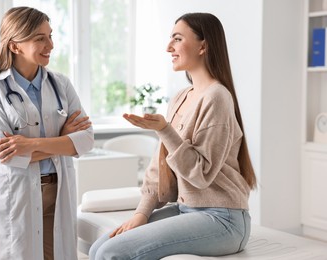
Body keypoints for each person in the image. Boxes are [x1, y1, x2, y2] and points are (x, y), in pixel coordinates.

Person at [89, 12, 257, 259]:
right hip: (186, 209)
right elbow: (159, 170)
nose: (169, 47)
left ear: (203, 46)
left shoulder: (217, 97)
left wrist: (164, 130)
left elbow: (201, 175)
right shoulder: (180, 98)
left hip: (223, 218)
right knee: (98, 249)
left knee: (112, 253)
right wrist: (141, 214)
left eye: (177, 39)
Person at [0, 6, 94, 260]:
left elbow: (85, 140)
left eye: (50, 36)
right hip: (15, 194)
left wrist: (30, 144)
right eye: (40, 38)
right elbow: (6, 153)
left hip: (57, 191)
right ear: (15, 46)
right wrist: (62, 140)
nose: (50, 44)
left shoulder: (61, 84)